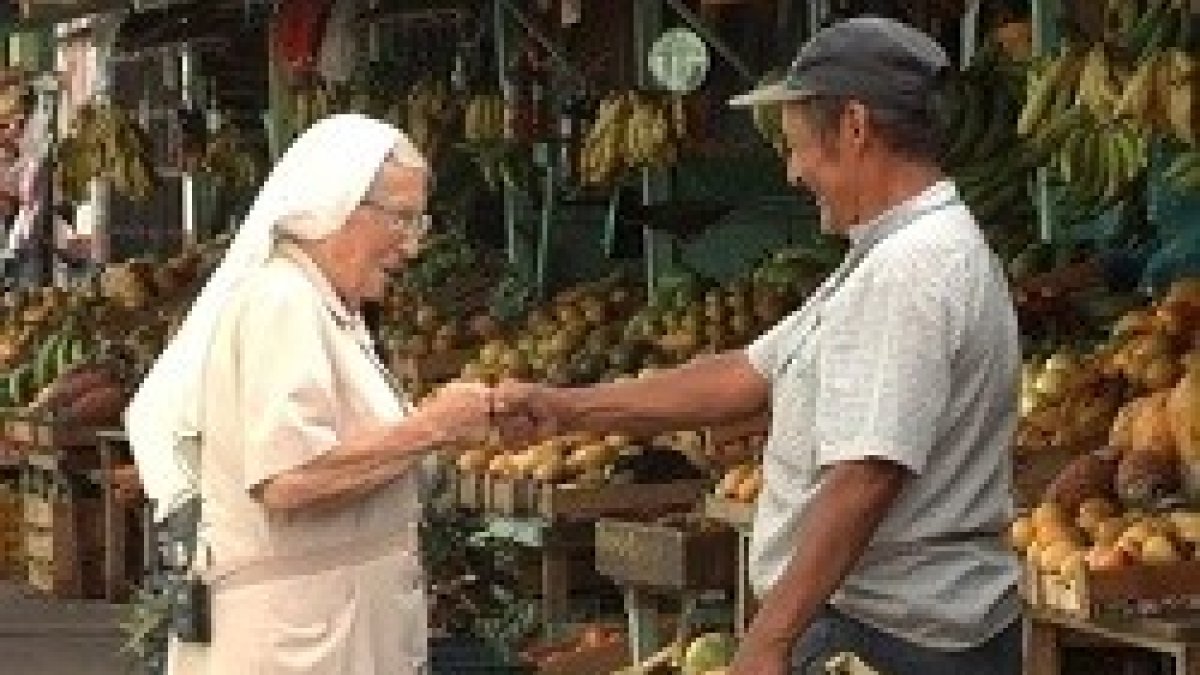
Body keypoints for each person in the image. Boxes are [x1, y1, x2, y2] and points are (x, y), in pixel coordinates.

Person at [492, 18, 1021, 675]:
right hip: (892, 628)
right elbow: (743, 375)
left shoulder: (911, 269)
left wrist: (768, 641)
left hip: (896, 640)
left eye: (800, 147)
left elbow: (867, 474)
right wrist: (567, 407)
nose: (794, 171)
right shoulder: (886, 255)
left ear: (855, 127)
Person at [125, 114, 492, 675]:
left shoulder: (328, 308)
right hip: (297, 642)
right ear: (339, 208)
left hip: (326, 631)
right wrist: (434, 427)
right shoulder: (284, 303)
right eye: (402, 219)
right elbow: (289, 478)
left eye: (419, 222)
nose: (412, 245)